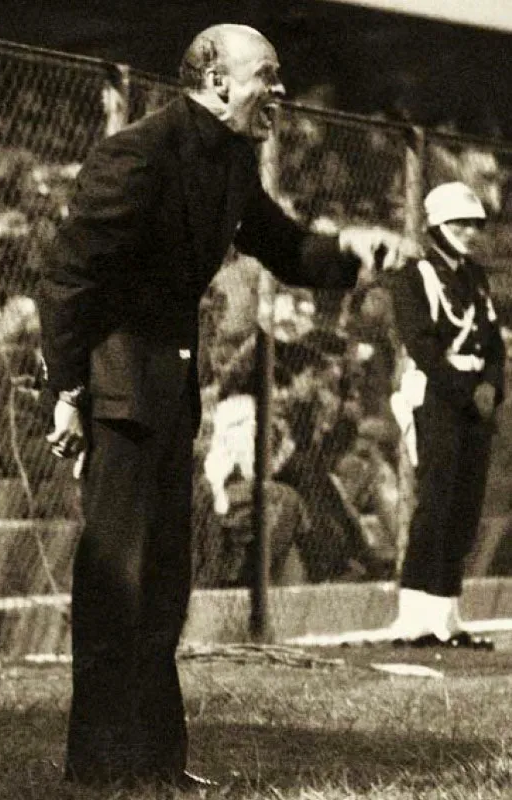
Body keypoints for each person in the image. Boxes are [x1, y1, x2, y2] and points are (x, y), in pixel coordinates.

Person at [38, 23, 418, 790]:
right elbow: (67, 280)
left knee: (166, 581)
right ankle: (98, 770)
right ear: (215, 81)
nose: (278, 93)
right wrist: (67, 394)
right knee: (116, 582)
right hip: (115, 393)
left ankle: (155, 763)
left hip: (170, 393)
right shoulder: (137, 153)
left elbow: (283, 246)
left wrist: (349, 246)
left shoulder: (232, 161)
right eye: (266, 77)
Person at [388, 181, 505, 650]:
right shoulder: (413, 275)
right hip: (438, 396)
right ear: (436, 225)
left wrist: (491, 387)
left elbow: (494, 344)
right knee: (435, 503)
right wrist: (465, 393)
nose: (470, 233)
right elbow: (421, 345)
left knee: (465, 507)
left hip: (474, 397)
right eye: (459, 224)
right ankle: (415, 618)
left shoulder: (475, 277)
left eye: (475, 225)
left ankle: (447, 616)